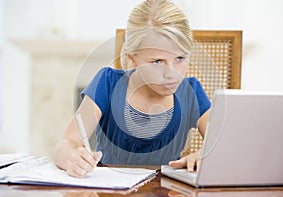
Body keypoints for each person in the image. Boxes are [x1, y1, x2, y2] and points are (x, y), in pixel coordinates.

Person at [54, 0, 211, 178]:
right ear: (132, 59)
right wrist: (72, 158)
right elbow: (67, 143)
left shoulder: (191, 92)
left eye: (180, 58)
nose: (172, 73)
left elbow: (225, 145)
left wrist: (209, 155)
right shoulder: (107, 84)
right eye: (157, 61)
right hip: (110, 193)